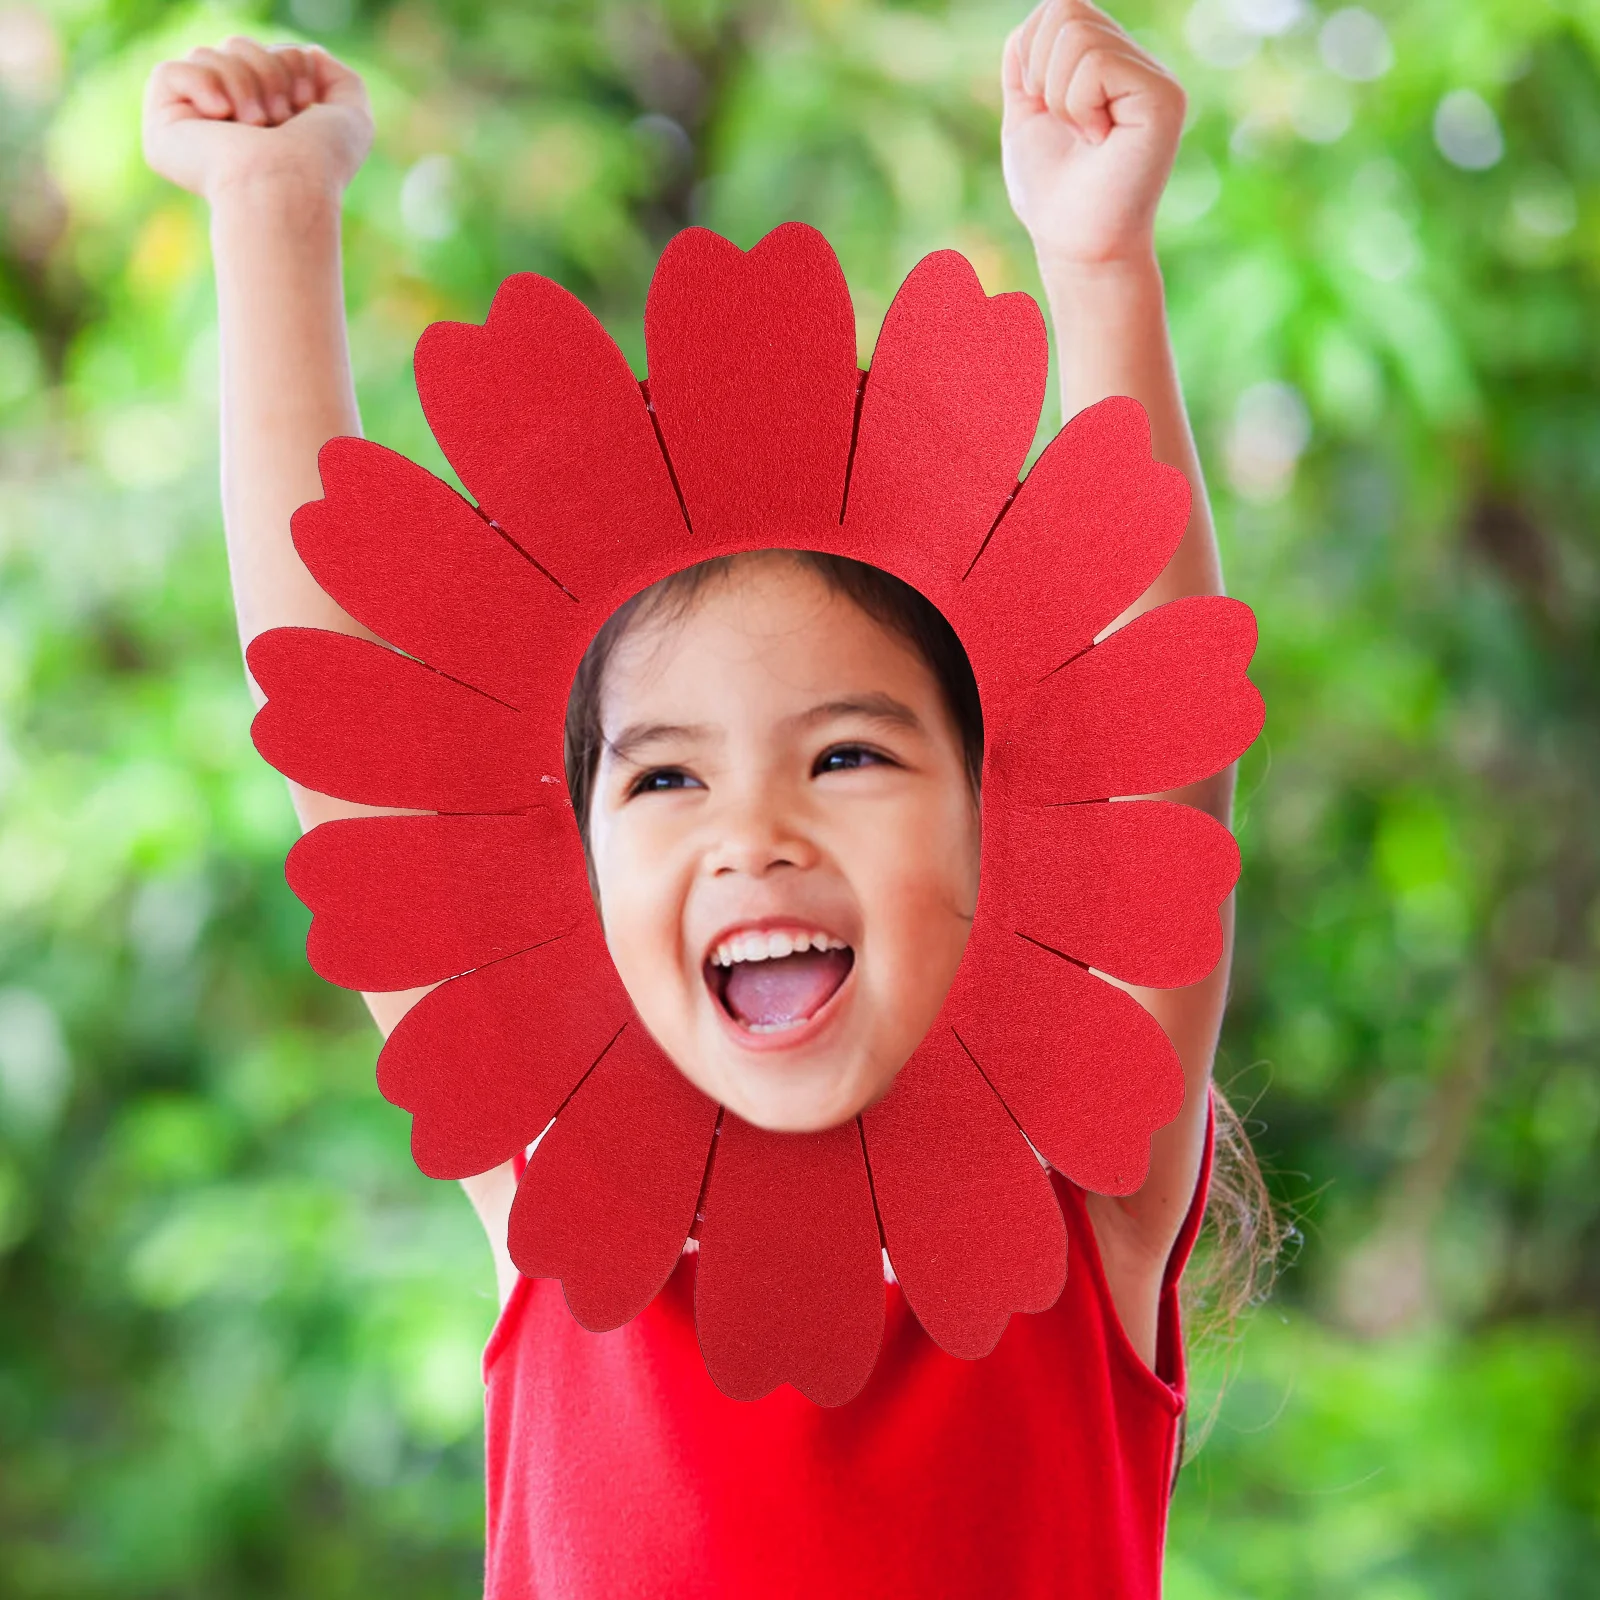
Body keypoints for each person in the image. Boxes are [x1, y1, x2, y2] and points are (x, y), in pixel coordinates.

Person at [142, 5, 1276, 1594]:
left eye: (848, 754)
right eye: (666, 773)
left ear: (1006, 826)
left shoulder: (1073, 1211)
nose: (758, 831)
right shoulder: (567, 1186)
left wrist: (1099, 267)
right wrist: (270, 213)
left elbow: (1162, 739)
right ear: (576, 864)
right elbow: (353, 742)